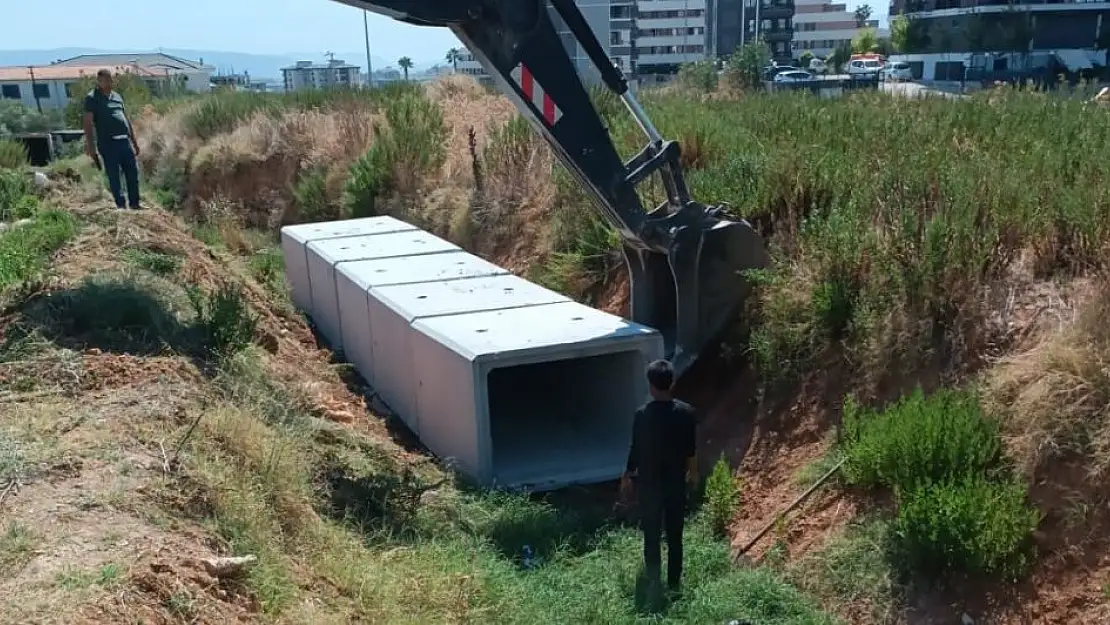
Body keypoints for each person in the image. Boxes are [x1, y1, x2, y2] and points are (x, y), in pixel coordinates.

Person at [621, 358, 698, 596]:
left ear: (651, 386)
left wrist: (626, 477)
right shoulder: (687, 413)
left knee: (652, 535)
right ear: (671, 382)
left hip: (650, 484)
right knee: (675, 536)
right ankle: (674, 587)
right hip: (675, 484)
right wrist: (693, 477)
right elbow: (691, 451)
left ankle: (654, 583)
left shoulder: (642, 415)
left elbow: (635, 450)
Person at [83, 69, 142, 210]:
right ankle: (121, 205)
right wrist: (90, 147)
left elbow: (126, 120)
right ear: (99, 81)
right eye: (104, 80)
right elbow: (88, 123)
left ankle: (135, 203)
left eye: (110, 80)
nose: (108, 82)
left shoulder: (117, 97)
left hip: (124, 141)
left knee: (132, 173)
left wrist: (134, 142)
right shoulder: (92, 98)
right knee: (114, 175)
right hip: (108, 143)